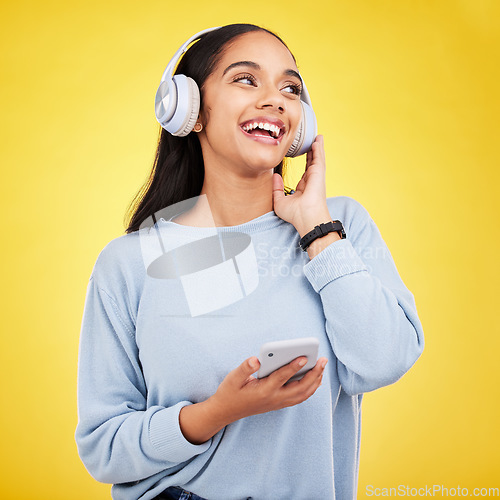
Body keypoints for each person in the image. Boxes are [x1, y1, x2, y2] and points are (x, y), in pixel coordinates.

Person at [75, 23, 424, 500]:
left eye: (290, 88)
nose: (275, 99)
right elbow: (103, 447)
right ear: (190, 110)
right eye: (245, 79)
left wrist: (317, 231)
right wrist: (216, 411)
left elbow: (385, 360)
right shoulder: (128, 264)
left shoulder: (339, 225)